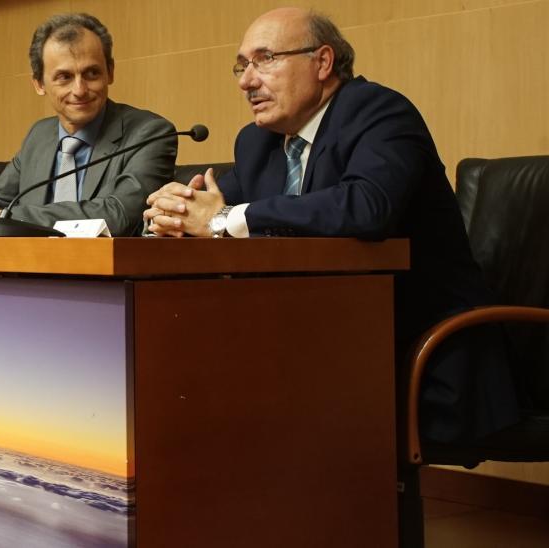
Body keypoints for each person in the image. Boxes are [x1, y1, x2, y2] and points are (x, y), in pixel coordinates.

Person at [143, 8, 516, 443]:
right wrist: (176, 219)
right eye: (241, 66)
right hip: (316, 348)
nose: (247, 80)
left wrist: (224, 218)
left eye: (265, 59)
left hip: (419, 356)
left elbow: (366, 206)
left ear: (322, 62)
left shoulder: (380, 113)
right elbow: (217, 214)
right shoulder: (257, 142)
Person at [0, 13, 176, 236]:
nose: (80, 90)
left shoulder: (149, 133)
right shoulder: (40, 135)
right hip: (29, 274)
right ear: (39, 84)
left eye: (91, 74)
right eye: (64, 77)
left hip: (106, 282)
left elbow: (119, 216)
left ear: (110, 72)